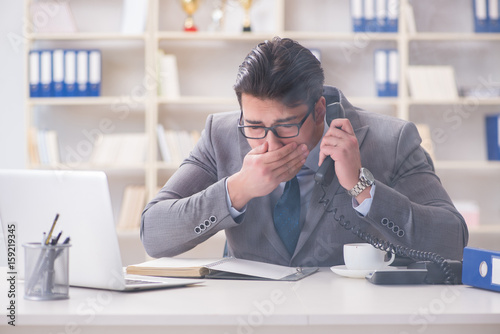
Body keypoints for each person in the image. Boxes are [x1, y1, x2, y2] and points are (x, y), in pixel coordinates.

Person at [141, 37, 468, 267]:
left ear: (319, 110)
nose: (269, 144)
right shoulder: (221, 135)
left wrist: (362, 187)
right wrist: (237, 190)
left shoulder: (391, 139)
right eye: (254, 126)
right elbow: (154, 235)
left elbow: (451, 241)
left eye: (285, 126)